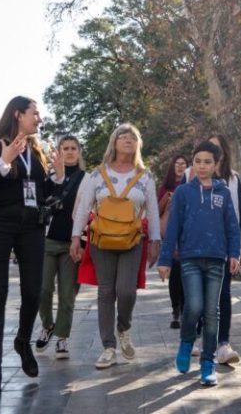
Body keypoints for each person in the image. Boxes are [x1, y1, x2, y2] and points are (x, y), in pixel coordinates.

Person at [0, 96, 63, 399]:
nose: (39, 118)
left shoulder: (35, 153)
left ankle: (23, 341)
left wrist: (58, 175)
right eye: (34, 113)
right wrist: (4, 161)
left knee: (34, 291)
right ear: (17, 115)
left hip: (31, 226)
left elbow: (42, 193)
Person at [69, 123, 161, 370]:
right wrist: (76, 237)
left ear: (138, 144)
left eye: (133, 137)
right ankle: (108, 347)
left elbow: (152, 210)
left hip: (133, 241)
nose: (128, 139)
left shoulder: (145, 176)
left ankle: (124, 327)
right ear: (114, 142)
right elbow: (84, 208)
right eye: (123, 136)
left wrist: (155, 241)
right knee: (106, 291)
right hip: (102, 240)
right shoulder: (98, 174)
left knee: (126, 291)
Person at [158, 141, 241, 386]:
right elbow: (173, 228)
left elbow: (232, 226)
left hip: (216, 260)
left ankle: (208, 363)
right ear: (192, 164)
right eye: (197, 161)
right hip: (190, 259)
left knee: (211, 313)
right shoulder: (183, 192)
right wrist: (165, 260)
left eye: (207, 162)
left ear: (216, 165)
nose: (202, 166)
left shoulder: (223, 192)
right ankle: (186, 342)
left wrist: (234, 253)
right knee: (193, 306)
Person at [35, 135, 86, 359]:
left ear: (79, 152)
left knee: (67, 295)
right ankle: (47, 325)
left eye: (73, 148)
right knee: (43, 289)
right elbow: (40, 201)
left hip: (72, 243)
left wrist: (83, 243)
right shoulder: (50, 178)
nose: (69, 151)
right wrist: (56, 177)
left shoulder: (87, 179)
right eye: (65, 148)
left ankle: (62, 337)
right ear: (59, 152)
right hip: (48, 241)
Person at [203, 133, 241, 365]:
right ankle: (202, 337)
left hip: (225, 246)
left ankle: (223, 344)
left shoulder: (233, 178)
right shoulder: (194, 176)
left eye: (217, 147)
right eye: (209, 147)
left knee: (223, 294)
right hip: (199, 246)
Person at [158, 154, 188, 329]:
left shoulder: (192, 185)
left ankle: (184, 309)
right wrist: (167, 199)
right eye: (177, 164)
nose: (180, 166)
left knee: (186, 273)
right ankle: (175, 309)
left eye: (183, 164)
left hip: (188, 234)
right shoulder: (165, 187)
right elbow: (156, 210)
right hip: (170, 233)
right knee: (175, 273)